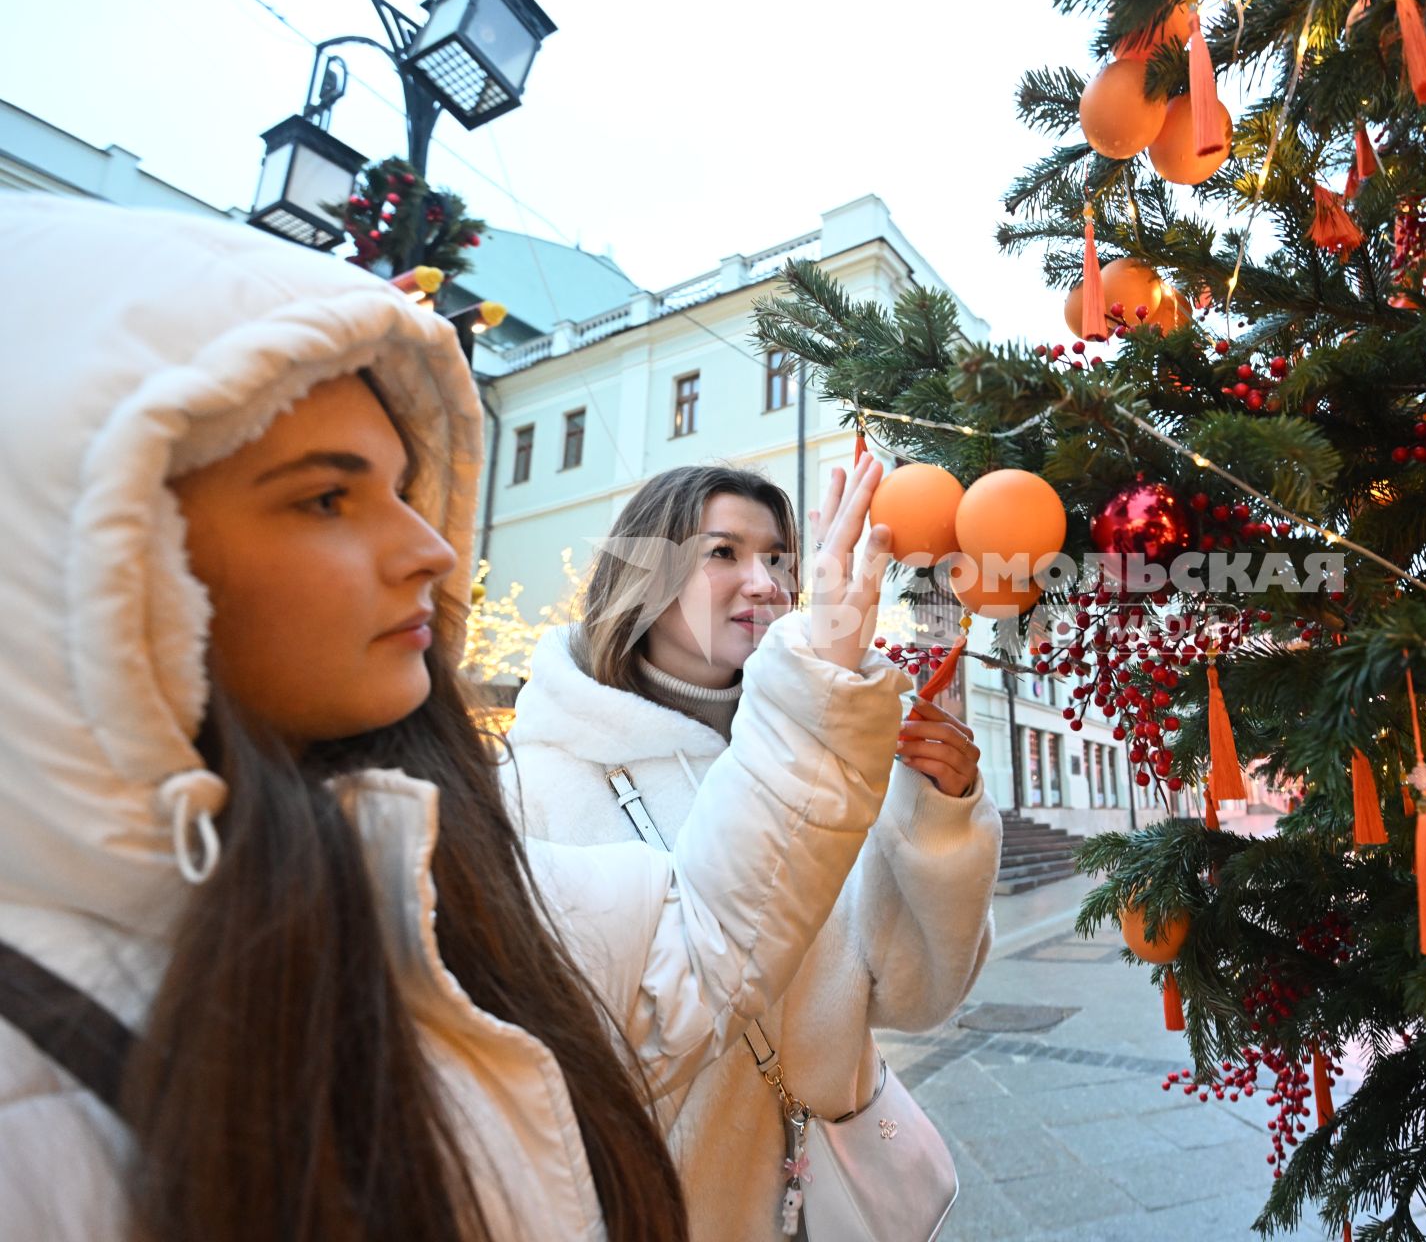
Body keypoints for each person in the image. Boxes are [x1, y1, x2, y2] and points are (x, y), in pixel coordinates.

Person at [0, 195, 911, 1241]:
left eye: (403, 487)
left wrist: (882, 738)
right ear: (100, 552)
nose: (434, 549)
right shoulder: (32, 1092)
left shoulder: (423, 858)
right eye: (327, 498)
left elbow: (706, 956)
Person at [507, 465, 1002, 1241]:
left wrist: (938, 815)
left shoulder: (829, 751)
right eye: (724, 553)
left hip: (842, 1192)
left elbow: (912, 997)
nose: (766, 582)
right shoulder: (536, 779)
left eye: (778, 558)